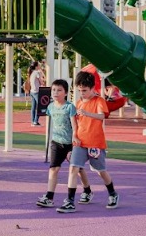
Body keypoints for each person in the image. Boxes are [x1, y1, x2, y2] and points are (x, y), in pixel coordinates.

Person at [58, 69, 121, 213]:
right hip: (80, 142)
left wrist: (87, 113)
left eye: (85, 90)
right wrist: (74, 136)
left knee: (100, 171)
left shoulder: (99, 101)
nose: (82, 93)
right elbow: (77, 122)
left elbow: (101, 116)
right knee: (74, 168)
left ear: (93, 88)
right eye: (80, 90)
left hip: (95, 143)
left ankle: (112, 194)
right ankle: (70, 201)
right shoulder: (79, 103)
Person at [37, 79, 77, 208]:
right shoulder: (50, 107)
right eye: (53, 90)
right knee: (54, 169)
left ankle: (87, 190)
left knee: (78, 170)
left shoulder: (70, 107)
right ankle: (49, 197)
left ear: (66, 93)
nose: (55, 92)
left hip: (70, 144)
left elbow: (75, 126)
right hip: (56, 142)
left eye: (59, 90)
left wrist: (75, 141)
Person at [27, 61, 44, 126]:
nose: (40, 66)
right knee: (40, 106)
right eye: (39, 65)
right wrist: (42, 73)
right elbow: (42, 82)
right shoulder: (37, 72)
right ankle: (35, 121)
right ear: (36, 66)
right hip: (36, 91)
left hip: (32, 91)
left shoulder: (32, 73)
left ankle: (33, 121)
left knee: (33, 107)